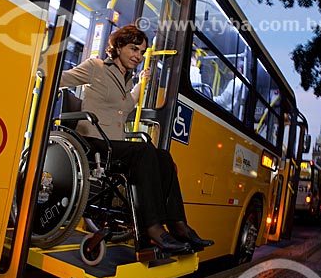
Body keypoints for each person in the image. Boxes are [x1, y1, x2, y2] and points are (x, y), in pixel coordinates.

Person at [60, 24, 214, 253]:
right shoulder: (96, 67)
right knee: (143, 151)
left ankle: (178, 225)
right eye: (134, 49)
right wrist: (40, 67)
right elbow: (62, 78)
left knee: (162, 156)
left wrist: (142, 83)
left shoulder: (127, 79)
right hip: (92, 141)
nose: (138, 56)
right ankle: (152, 228)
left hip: (113, 143)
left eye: (141, 52)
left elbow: (126, 106)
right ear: (118, 46)